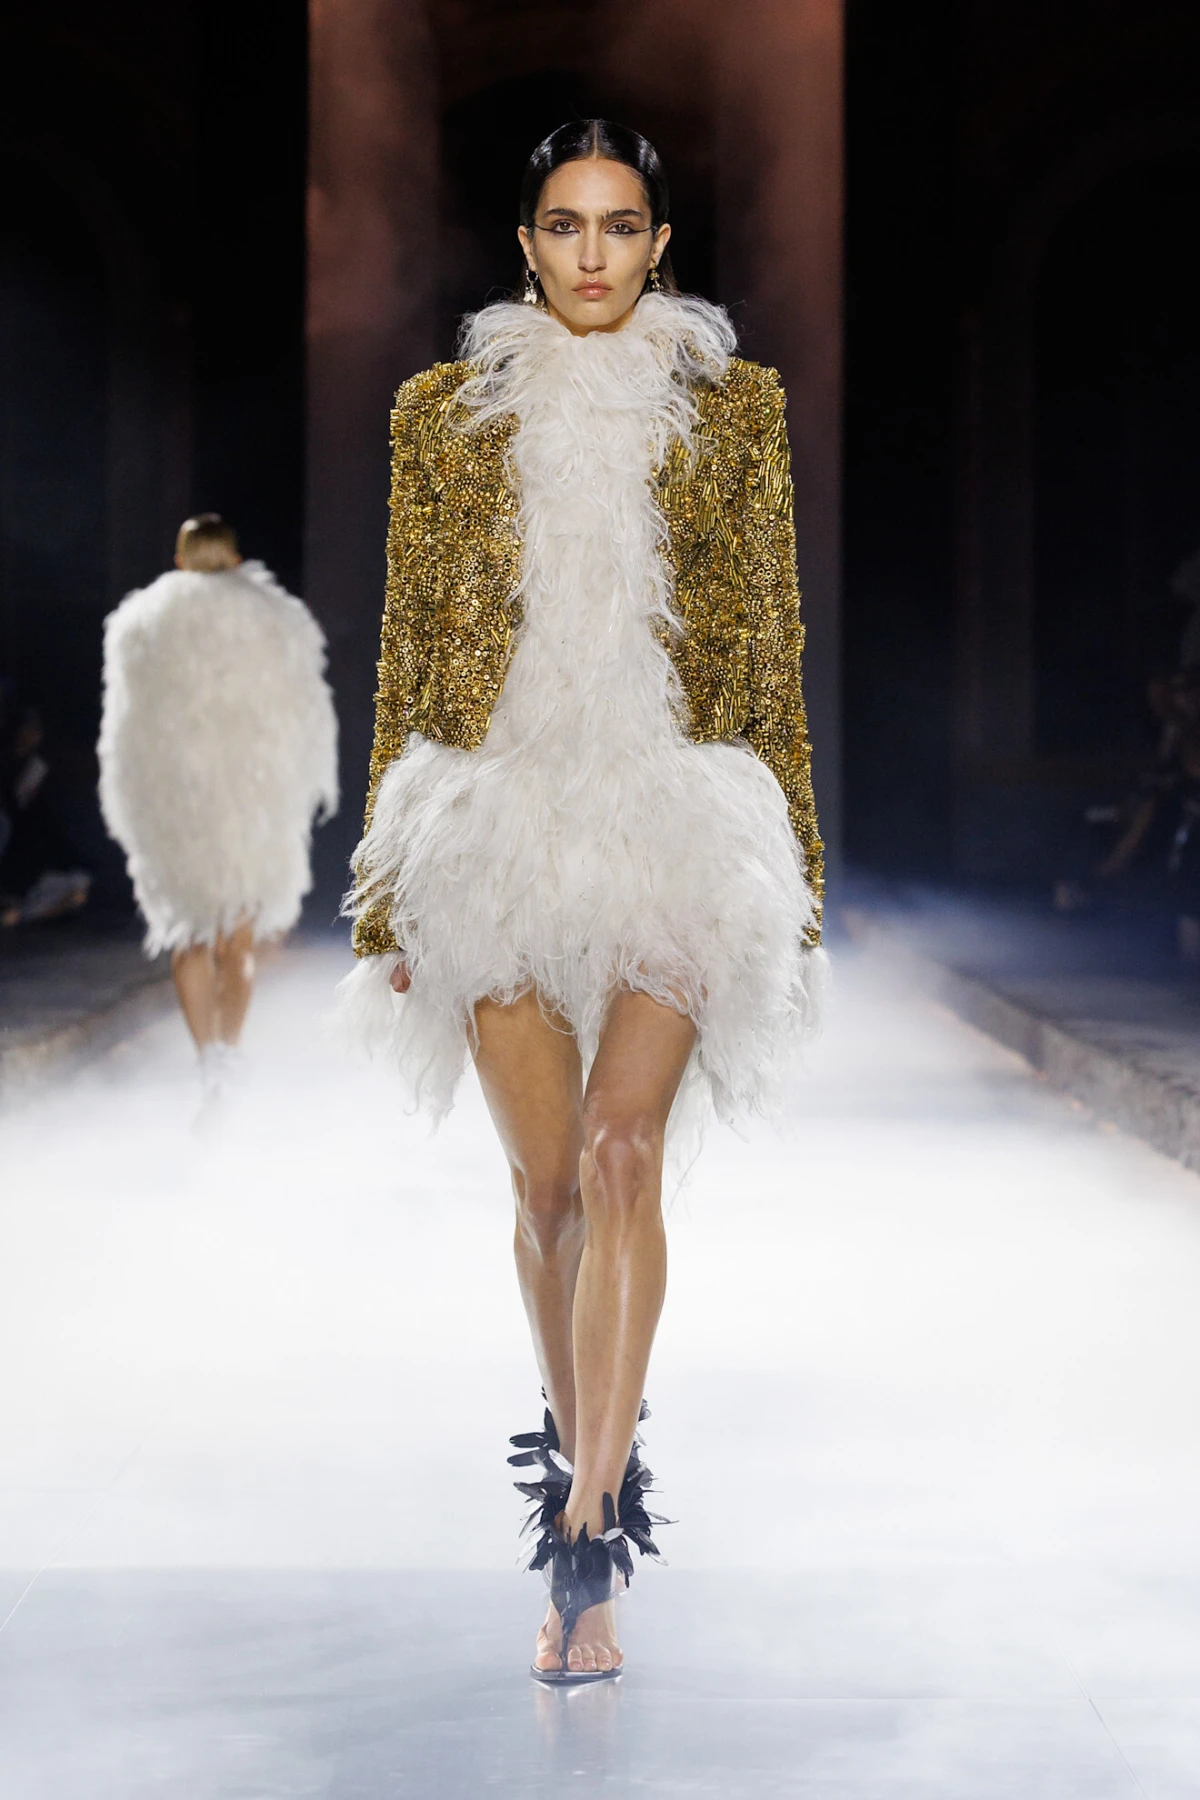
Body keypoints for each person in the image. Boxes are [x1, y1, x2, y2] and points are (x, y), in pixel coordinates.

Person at [341, 121, 825, 1682]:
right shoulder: (443, 418)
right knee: (549, 1194)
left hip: (679, 821)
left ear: (662, 243)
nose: (594, 253)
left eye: (622, 225)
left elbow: (769, 657)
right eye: (566, 225)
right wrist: (386, 901)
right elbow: (408, 651)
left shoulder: (737, 411)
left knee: (624, 1153)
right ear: (527, 242)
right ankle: (578, 1447)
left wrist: (797, 891)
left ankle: (589, 1535)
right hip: (493, 829)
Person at [98, 514, 338, 1104]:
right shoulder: (274, 618)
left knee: (189, 934)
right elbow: (301, 717)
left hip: (177, 804)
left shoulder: (142, 622)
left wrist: (136, 805)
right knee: (238, 938)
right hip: (248, 803)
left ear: (180, 559)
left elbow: (124, 731)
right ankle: (228, 1053)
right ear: (234, 558)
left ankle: (208, 1058)